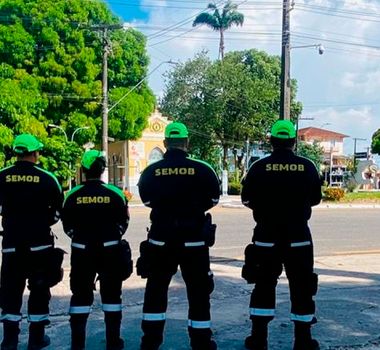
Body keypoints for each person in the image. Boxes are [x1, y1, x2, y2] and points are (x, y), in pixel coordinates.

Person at [137, 122, 220, 350]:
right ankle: (201, 342)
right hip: (194, 239)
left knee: (156, 289)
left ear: (165, 144)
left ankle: (151, 341)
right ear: (187, 143)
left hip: (161, 239)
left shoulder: (151, 171)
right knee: (199, 292)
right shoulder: (203, 168)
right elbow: (213, 200)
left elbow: (146, 201)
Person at [241, 120, 322, 350]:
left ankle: (258, 339)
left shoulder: (258, 167)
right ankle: (303, 341)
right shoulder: (308, 166)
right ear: (294, 142)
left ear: (272, 141)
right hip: (299, 238)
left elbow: (246, 200)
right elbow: (316, 199)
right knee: (302, 288)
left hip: (266, 237)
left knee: (264, 286)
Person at [61, 150, 131, 350]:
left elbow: (67, 226)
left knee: (80, 296)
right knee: (111, 297)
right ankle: (113, 342)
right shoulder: (115, 194)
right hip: (111, 252)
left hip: (82, 253)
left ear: (83, 170)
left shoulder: (72, 195)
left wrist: (82, 238)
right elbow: (123, 223)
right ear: (103, 170)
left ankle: (77, 343)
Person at [0, 134, 63, 350]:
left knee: (10, 292)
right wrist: (43, 223)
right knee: (39, 290)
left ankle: (9, 340)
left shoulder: (2, 176)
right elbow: (57, 211)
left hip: (11, 245)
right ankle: (36, 339)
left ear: (16, 153)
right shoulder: (47, 178)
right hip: (40, 246)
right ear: (35, 153)